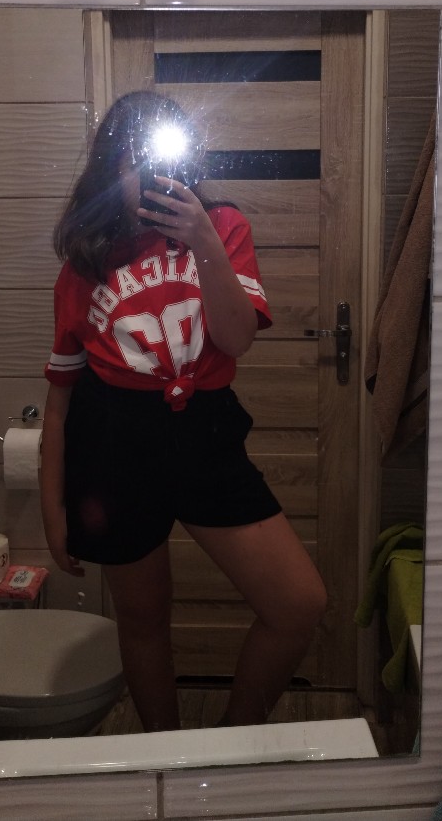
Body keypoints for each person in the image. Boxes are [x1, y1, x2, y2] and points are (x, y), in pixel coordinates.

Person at [39, 90, 327, 732]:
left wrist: (201, 239)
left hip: (206, 438)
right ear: (112, 168)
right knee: (144, 620)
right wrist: (52, 510)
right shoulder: (85, 263)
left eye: (165, 157)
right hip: (113, 448)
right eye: (135, 160)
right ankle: (162, 757)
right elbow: (60, 404)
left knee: (298, 604)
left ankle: (233, 743)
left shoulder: (222, 227)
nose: (151, 174)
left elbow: (237, 339)